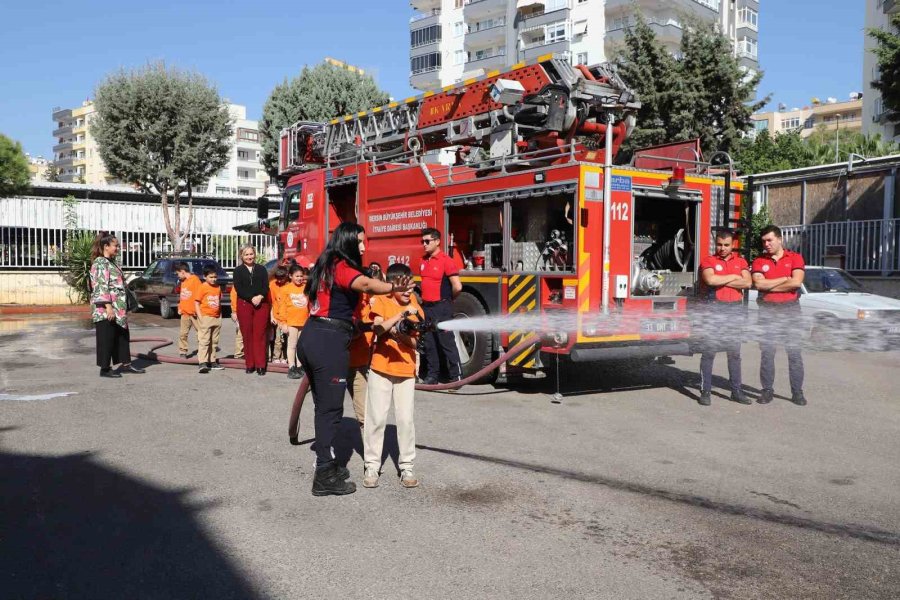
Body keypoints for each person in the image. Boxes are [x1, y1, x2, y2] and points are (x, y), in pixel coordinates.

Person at [297, 222, 414, 497]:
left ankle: (327, 464)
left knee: (322, 407)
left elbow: (338, 308)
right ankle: (324, 475)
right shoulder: (340, 265)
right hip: (329, 342)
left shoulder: (325, 264)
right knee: (331, 410)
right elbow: (365, 284)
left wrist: (366, 326)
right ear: (348, 241)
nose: (363, 247)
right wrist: (392, 286)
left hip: (314, 336)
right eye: (359, 242)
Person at [363, 263, 423, 489]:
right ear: (392, 286)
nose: (408, 292)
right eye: (404, 287)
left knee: (406, 420)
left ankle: (407, 466)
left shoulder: (415, 305)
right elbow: (378, 329)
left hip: (406, 370)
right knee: (376, 419)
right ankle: (372, 465)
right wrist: (400, 316)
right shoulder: (381, 300)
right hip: (380, 368)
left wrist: (400, 334)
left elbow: (416, 342)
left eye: (411, 287)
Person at [752, 225, 807, 406]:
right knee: (767, 354)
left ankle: (797, 392)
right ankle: (767, 391)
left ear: (779, 239)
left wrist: (770, 285)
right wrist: (784, 279)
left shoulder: (795, 258)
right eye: (764, 241)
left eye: (769, 240)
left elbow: (796, 283)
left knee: (794, 354)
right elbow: (759, 285)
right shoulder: (759, 261)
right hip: (768, 311)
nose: (766, 244)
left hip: (791, 310)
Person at [697, 230, 751, 406]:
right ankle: (705, 392)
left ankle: (736, 391)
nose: (722, 248)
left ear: (733, 244)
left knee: (734, 354)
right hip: (714, 310)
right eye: (719, 244)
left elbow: (748, 282)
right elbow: (710, 280)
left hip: (734, 311)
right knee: (709, 353)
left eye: (726, 245)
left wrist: (723, 279)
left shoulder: (741, 262)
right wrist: (735, 277)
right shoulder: (708, 261)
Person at [89, 233, 145, 378]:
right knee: (106, 338)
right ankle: (105, 369)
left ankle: (126, 364)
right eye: (116, 245)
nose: (118, 248)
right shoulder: (100, 263)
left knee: (122, 336)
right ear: (106, 246)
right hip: (106, 310)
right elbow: (100, 286)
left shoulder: (112, 262)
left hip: (118, 309)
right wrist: (108, 307)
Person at [418, 228, 462, 385]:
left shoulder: (446, 261)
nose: (424, 244)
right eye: (422, 241)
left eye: (427, 241)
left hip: (442, 307)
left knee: (446, 342)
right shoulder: (423, 260)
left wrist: (448, 300)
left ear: (437, 241)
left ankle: (456, 376)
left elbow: (457, 286)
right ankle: (432, 376)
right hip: (427, 308)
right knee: (429, 342)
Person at [347, 263, 383, 429]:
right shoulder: (351, 300)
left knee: (365, 410)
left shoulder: (373, 300)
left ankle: (366, 429)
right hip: (342, 360)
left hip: (360, 359)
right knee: (330, 406)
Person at [233, 245, 270, 375]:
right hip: (244, 304)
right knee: (247, 335)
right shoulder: (238, 271)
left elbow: (266, 286)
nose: (249, 257)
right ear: (241, 256)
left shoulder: (261, 269)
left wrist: (260, 296)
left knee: (260, 335)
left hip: (261, 304)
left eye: (251, 254)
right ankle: (250, 364)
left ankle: (260, 365)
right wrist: (251, 298)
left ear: (255, 254)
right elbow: (238, 288)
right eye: (246, 254)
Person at [194, 265, 224, 373]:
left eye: (215, 277)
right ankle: (202, 362)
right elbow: (196, 303)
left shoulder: (218, 287)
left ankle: (212, 361)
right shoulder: (202, 287)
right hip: (205, 317)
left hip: (216, 317)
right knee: (204, 340)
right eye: (211, 277)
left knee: (214, 341)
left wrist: (220, 316)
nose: (213, 279)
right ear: (205, 277)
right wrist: (200, 317)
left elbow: (219, 301)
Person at [281, 265, 309, 379]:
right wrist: (283, 323)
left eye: (301, 276)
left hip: (304, 321)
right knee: (292, 345)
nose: (299, 278)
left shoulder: (306, 287)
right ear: (290, 276)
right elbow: (282, 307)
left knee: (301, 346)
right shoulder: (286, 289)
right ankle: (292, 366)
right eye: (297, 276)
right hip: (291, 322)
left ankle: (300, 365)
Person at [175, 262, 202, 359]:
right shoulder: (183, 281)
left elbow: (200, 296)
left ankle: (202, 351)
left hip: (194, 313)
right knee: (183, 334)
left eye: (178, 273)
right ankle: (183, 351)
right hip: (185, 313)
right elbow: (183, 296)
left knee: (200, 333)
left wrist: (197, 310)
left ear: (182, 271)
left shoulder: (195, 280)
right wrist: (180, 307)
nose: (178, 276)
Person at [269, 266, 289, 364]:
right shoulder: (272, 284)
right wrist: (272, 316)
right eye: (278, 278)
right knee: (278, 339)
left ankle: (285, 356)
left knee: (286, 339)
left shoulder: (289, 285)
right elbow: (271, 302)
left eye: (282, 278)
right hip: (277, 316)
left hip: (287, 317)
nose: (280, 281)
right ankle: (276, 357)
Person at [229, 285, 244, 359]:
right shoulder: (237, 285)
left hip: (247, 311)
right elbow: (233, 299)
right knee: (240, 333)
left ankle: (244, 352)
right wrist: (234, 312)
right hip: (239, 312)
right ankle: (239, 354)